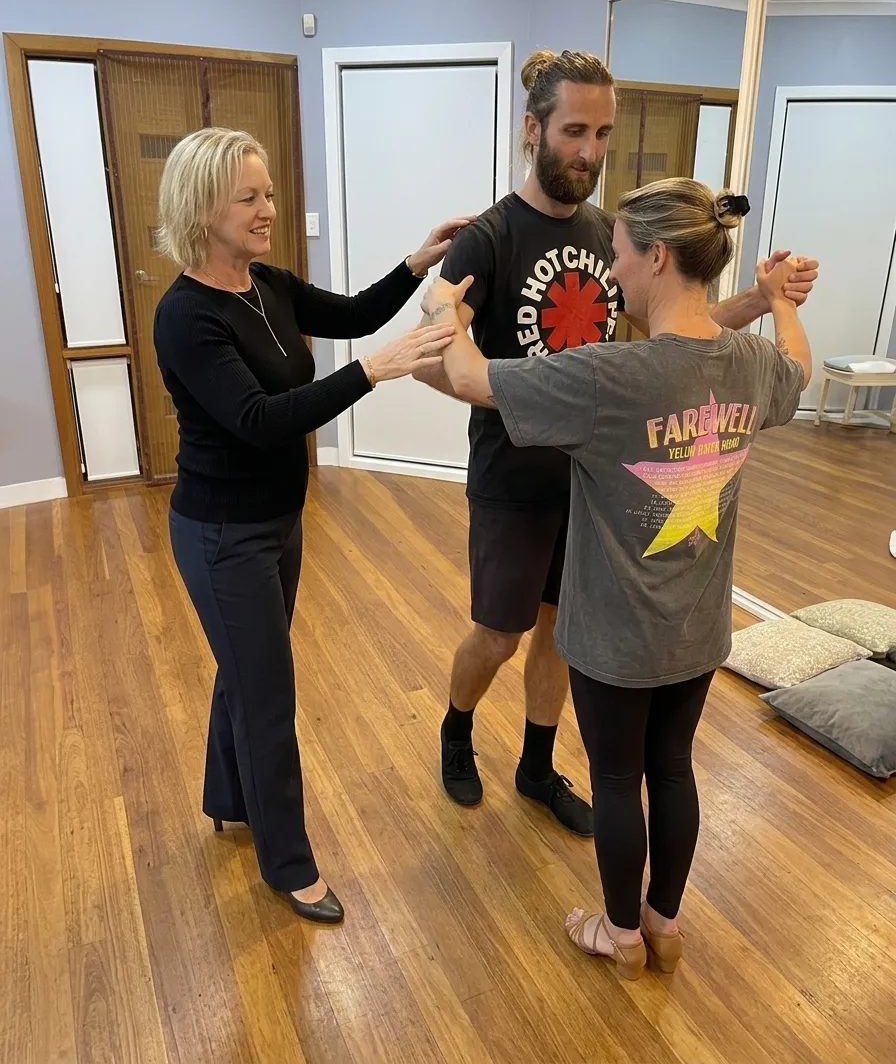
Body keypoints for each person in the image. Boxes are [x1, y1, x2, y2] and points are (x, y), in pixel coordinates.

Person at [417, 48, 818, 836]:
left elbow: (672, 334)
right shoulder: (489, 239)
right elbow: (437, 349)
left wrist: (761, 303)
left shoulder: (612, 232)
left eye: (603, 133)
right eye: (574, 131)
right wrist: (472, 367)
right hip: (513, 475)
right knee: (502, 632)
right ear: (533, 129)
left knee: (566, 634)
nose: (591, 153)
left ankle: (537, 764)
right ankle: (456, 730)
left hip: (597, 481)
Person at [421, 176, 812, 980]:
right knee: (673, 770)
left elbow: (469, 378)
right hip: (700, 635)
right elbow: (798, 369)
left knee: (615, 777)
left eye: (621, 254)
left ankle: (619, 931)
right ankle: (664, 925)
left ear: (659, 257)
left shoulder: (607, 377)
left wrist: (442, 311)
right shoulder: (747, 363)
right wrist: (779, 302)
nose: (612, 269)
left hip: (613, 639)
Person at [153, 127, 470, 924]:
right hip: (222, 532)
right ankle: (288, 865)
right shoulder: (185, 316)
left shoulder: (268, 284)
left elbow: (357, 312)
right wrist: (375, 371)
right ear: (203, 209)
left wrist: (416, 262)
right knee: (267, 694)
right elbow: (259, 419)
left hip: (277, 522)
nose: (269, 210)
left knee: (245, 670)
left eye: (269, 194)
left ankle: (228, 797)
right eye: (249, 198)